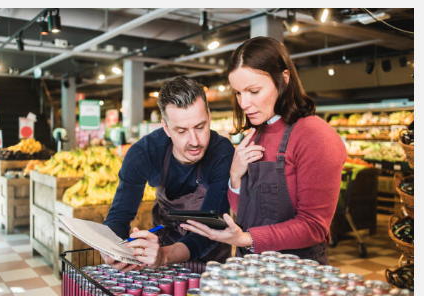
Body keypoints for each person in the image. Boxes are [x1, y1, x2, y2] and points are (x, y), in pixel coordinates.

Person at [181, 37, 347, 264]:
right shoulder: (254, 135)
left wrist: (247, 238)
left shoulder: (315, 136)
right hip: (250, 268)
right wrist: (235, 177)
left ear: (284, 79)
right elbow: (248, 213)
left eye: (253, 91)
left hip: (296, 272)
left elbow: (314, 226)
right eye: (238, 93)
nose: (243, 103)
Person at [102, 76, 234, 272]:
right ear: (166, 128)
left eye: (200, 126)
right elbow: (119, 216)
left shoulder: (221, 154)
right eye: (181, 131)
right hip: (163, 264)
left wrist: (164, 255)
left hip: (211, 264)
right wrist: (110, 248)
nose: (194, 141)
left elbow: (207, 231)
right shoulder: (143, 154)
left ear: (209, 115)